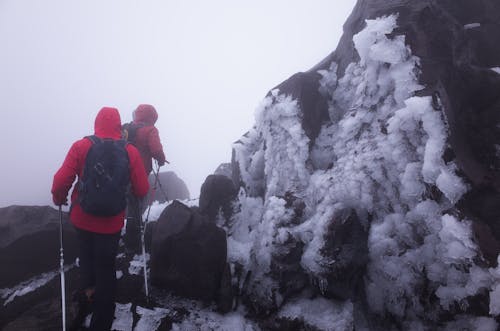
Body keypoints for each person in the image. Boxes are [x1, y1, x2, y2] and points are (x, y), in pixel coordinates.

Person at [51, 107, 149, 331]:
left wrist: (59, 198)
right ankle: (101, 322)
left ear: (96, 123)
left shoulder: (82, 146)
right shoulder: (130, 151)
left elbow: (60, 181)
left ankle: (88, 295)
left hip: (83, 219)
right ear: (118, 126)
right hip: (111, 223)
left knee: (86, 258)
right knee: (106, 266)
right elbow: (142, 188)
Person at [123, 104, 167, 254]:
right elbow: (156, 149)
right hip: (139, 172)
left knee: (129, 202)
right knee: (137, 204)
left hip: (123, 171)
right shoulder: (150, 130)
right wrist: (161, 159)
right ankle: (133, 241)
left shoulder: (127, 129)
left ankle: (123, 236)